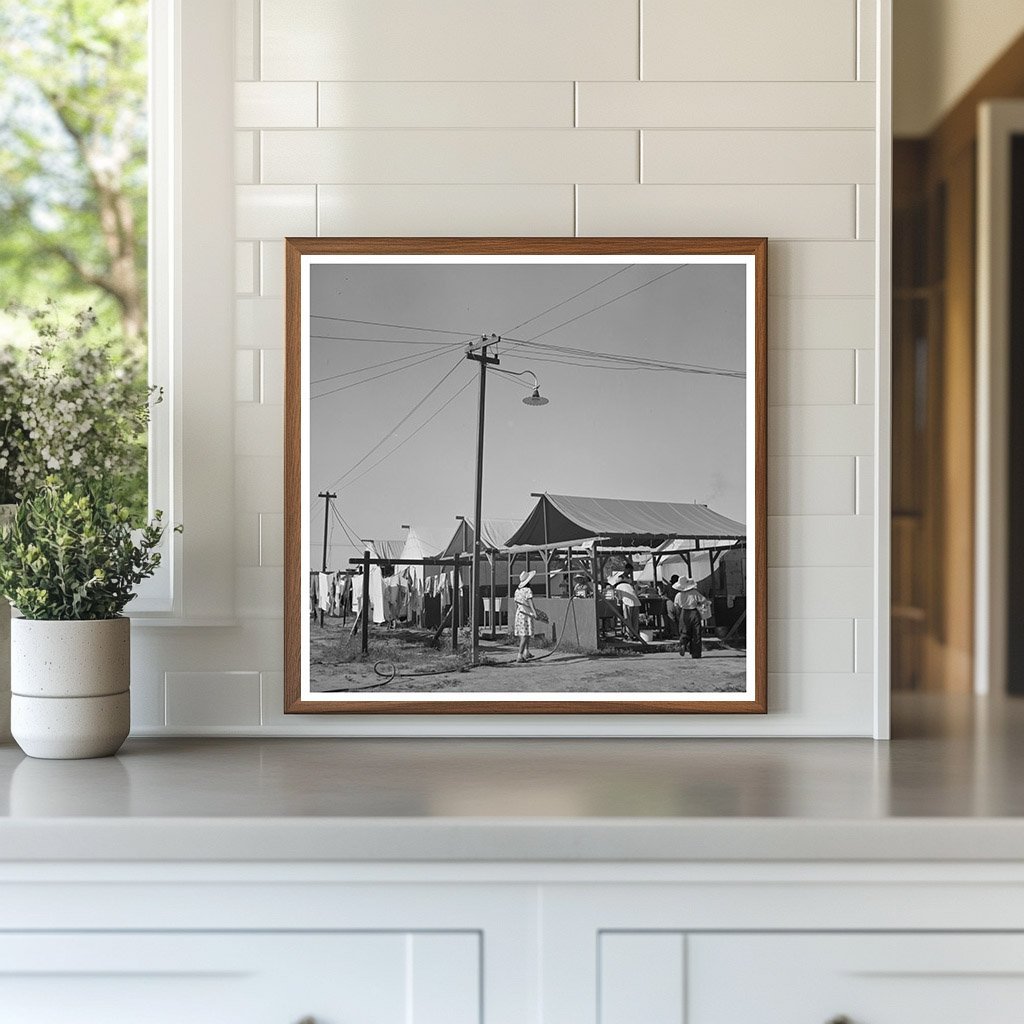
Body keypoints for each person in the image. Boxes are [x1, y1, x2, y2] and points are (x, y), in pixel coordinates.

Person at [674, 577, 706, 658]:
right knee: (696, 633)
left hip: (684, 613)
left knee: (684, 631)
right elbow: (704, 600)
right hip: (694, 613)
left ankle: (683, 644)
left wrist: (679, 616)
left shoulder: (678, 595)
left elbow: (677, 607)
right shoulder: (694, 593)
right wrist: (700, 606)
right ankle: (696, 653)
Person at [513, 569, 539, 663]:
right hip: (526, 613)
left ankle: (526, 651)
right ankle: (520, 655)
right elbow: (530, 602)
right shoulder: (528, 590)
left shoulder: (517, 591)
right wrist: (535, 612)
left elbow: (516, 603)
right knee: (525, 634)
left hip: (520, 613)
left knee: (523, 633)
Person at [612, 570, 641, 639]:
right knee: (635, 620)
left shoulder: (618, 587)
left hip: (627, 603)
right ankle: (636, 635)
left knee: (628, 620)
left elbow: (618, 598)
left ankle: (629, 635)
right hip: (636, 603)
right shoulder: (629, 585)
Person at [659, 573, 681, 637]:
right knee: (678, 618)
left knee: (671, 618)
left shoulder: (669, 586)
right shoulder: (679, 587)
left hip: (670, 603)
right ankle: (677, 632)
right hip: (678, 603)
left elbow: (663, 594)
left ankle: (673, 632)